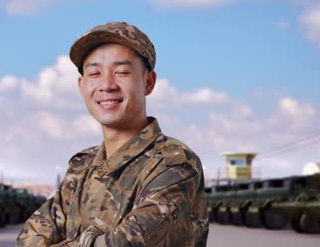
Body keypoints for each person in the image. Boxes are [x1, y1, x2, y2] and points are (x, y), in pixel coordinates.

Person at [16, 22, 208, 247]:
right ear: (81, 85)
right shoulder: (83, 166)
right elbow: (29, 236)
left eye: (121, 72)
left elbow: (123, 243)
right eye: (94, 73)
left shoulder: (174, 164)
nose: (106, 85)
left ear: (148, 82)